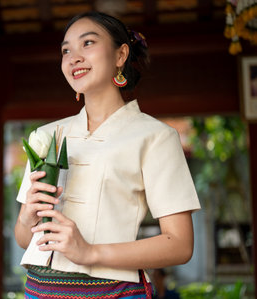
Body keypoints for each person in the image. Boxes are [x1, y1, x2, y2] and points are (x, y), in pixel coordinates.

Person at [14, 11, 201, 299]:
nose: (73, 57)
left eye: (87, 43)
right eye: (66, 50)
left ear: (120, 55)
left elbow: (179, 244)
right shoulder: (46, 136)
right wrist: (27, 219)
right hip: (39, 291)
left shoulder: (156, 137)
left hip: (114, 292)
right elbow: (25, 239)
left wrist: (90, 252)